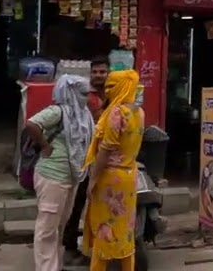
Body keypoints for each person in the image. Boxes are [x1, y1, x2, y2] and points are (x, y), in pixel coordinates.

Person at [26, 75, 95, 271]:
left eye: (86, 93)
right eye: (82, 93)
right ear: (71, 93)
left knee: (59, 226)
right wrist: (45, 145)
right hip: (52, 175)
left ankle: (55, 265)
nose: (86, 97)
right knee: (47, 228)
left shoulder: (83, 115)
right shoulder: (57, 112)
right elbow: (31, 124)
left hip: (71, 176)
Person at [83, 69, 146, 271]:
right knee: (126, 230)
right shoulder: (139, 112)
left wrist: (92, 180)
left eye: (112, 86)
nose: (108, 91)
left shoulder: (116, 113)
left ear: (122, 87)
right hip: (129, 175)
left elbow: (104, 151)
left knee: (104, 229)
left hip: (109, 177)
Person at [63, 56, 111, 266]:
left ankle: (98, 246)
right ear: (90, 74)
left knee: (104, 203)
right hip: (84, 154)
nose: (99, 75)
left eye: (103, 72)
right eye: (96, 72)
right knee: (78, 201)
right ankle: (70, 245)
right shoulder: (83, 94)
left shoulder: (114, 93)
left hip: (107, 155)